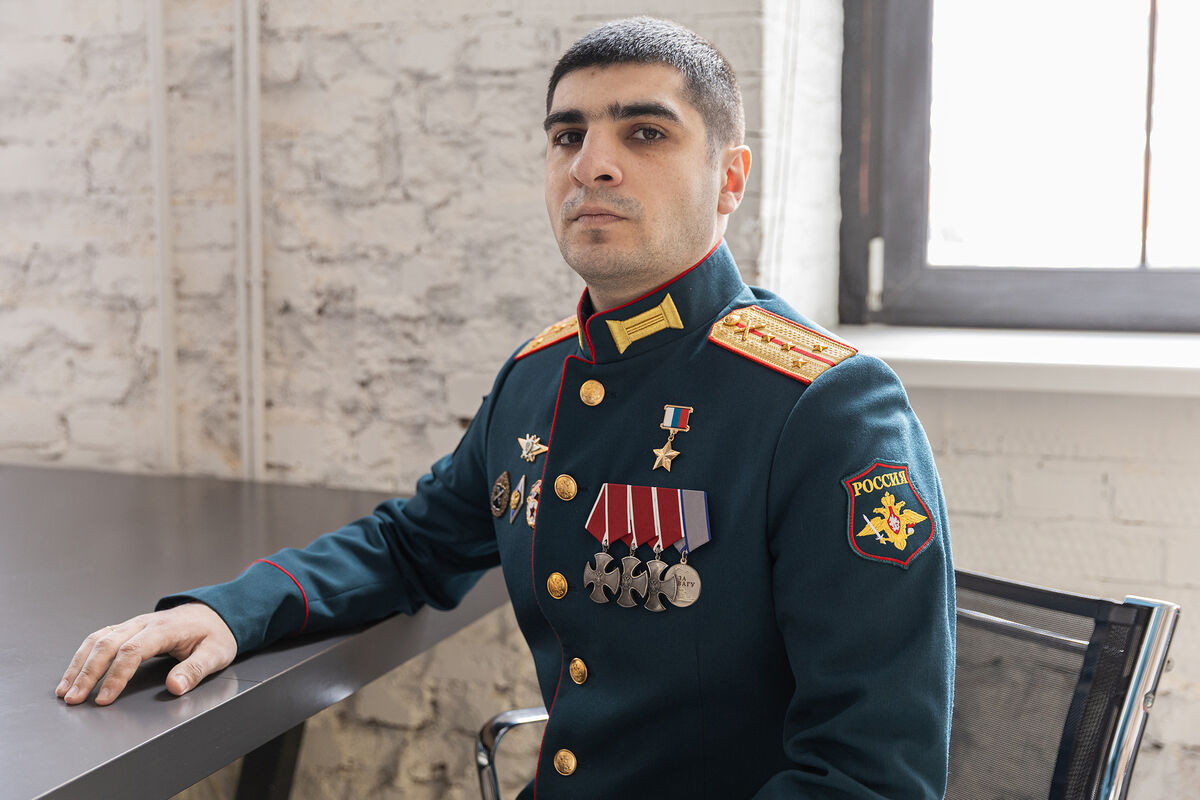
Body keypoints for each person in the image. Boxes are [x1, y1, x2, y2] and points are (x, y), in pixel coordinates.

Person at [57, 18, 955, 799]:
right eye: (567, 136)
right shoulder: (539, 374)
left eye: (645, 132)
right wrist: (230, 612)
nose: (592, 164)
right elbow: (412, 545)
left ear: (730, 179)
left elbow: (870, 775)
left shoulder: (825, 406)